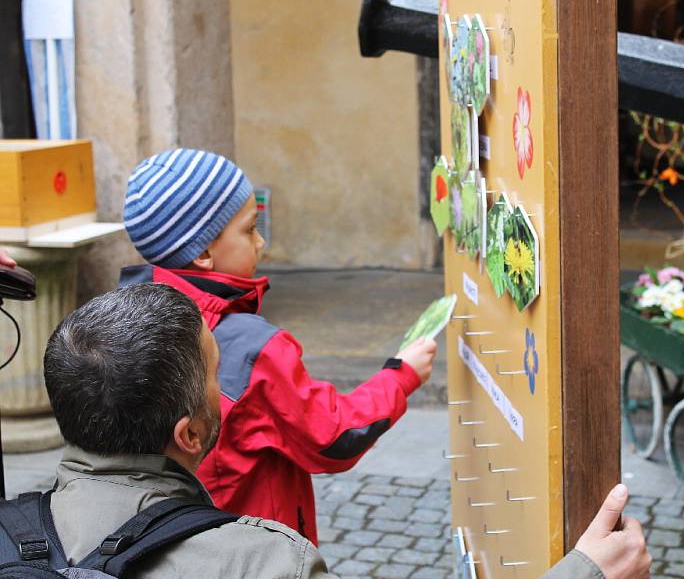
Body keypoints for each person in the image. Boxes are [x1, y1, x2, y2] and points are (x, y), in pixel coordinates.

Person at [35, 284, 648, 578]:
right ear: (190, 435)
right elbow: (334, 433)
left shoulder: (18, 535)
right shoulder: (263, 564)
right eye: (217, 376)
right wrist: (585, 574)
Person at [119, 148, 437, 545]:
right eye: (249, 229)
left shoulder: (120, 327)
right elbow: (334, 436)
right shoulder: (254, 348)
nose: (261, 241)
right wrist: (401, 376)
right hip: (255, 549)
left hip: (169, 542)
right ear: (202, 252)